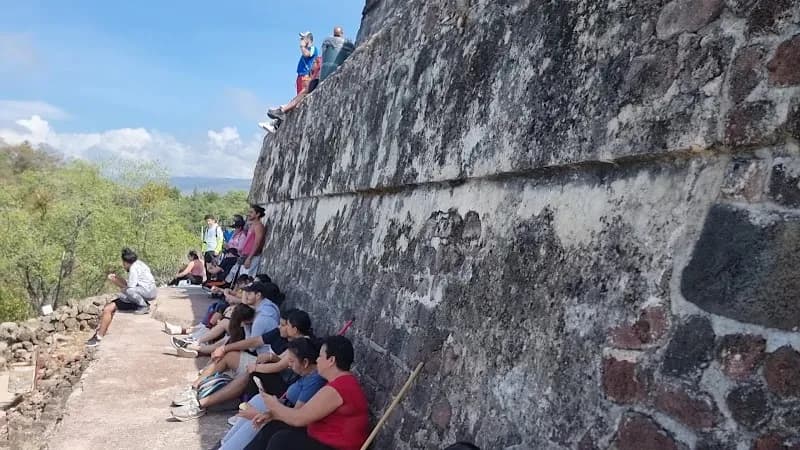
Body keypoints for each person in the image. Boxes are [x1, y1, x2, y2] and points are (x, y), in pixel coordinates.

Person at [171, 281, 281, 420]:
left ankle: (200, 404)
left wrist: (243, 328)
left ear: (258, 295)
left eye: (284, 325)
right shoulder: (264, 308)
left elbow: (253, 344)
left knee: (244, 369)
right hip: (262, 359)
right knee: (228, 352)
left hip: (265, 364)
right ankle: (194, 387)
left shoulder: (263, 317)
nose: (280, 327)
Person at [248, 335, 369, 450]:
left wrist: (274, 406)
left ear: (331, 360)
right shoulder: (340, 383)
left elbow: (299, 418)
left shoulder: (341, 387)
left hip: (334, 447)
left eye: (320, 356)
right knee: (275, 426)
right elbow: (305, 414)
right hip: (320, 438)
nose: (317, 360)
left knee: (282, 441)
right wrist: (273, 415)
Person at [217, 338, 327, 450]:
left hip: (288, 421)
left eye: (292, 361)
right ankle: (225, 443)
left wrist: (260, 414)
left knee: (256, 419)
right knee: (259, 400)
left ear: (305, 362)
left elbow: (295, 416)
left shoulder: (314, 381)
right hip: (284, 409)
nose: (288, 365)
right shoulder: (307, 375)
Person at [86, 248, 157, 347]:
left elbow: (129, 288)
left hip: (142, 295)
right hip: (145, 292)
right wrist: (118, 278)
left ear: (126, 262)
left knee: (108, 308)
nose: (123, 266)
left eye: (123, 264)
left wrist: (115, 281)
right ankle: (99, 334)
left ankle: (99, 336)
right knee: (110, 307)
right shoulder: (139, 264)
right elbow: (130, 284)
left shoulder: (133, 268)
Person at [241, 205, 266, 276]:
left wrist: (249, 258)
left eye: (251, 212)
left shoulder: (258, 226)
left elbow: (257, 243)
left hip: (253, 257)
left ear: (257, 214)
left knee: (246, 281)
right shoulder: (252, 225)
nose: (248, 214)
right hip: (246, 256)